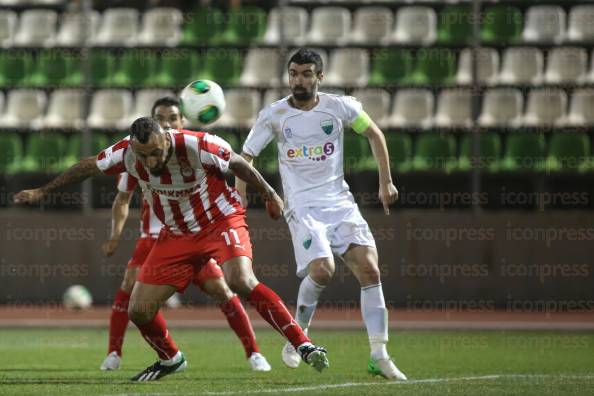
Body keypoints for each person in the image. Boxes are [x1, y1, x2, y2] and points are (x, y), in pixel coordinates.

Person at [14, 116, 329, 382]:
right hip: (176, 235)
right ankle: (170, 358)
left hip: (220, 221)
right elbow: (87, 166)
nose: (149, 162)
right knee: (139, 310)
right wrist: (43, 191)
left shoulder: (197, 144)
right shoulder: (127, 153)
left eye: (154, 153)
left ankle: (303, 344)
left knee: (239, 281)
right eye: (143, 156)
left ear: (165, 139)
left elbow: (239, 165)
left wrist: (271, 194)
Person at [236, 48, 406, 380]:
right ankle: (298, 337)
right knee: (323, 269)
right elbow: (245, 157)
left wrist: (386, 181)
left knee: (370, 269)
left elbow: (375, 134)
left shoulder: (339, 106)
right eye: (293, 73)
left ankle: (379, 354)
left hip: (340, 202)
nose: (298, 80)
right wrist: (240, 202)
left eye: (306, 74)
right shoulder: (274, 115)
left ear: (319, 77)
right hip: (301, 205)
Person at [99, 97, 271, 372]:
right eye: (160, 117)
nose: (166, 122)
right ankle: (114, 353)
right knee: (130, 284)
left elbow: (228, 172)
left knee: (223, 289)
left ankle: (253, 353)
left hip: (198, 235)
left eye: (172, 118)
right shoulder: (140, 157)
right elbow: (122, 199)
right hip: (155, 237)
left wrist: (256, 195)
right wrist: (115, 235)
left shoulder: (193, 152)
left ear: (181, 123)